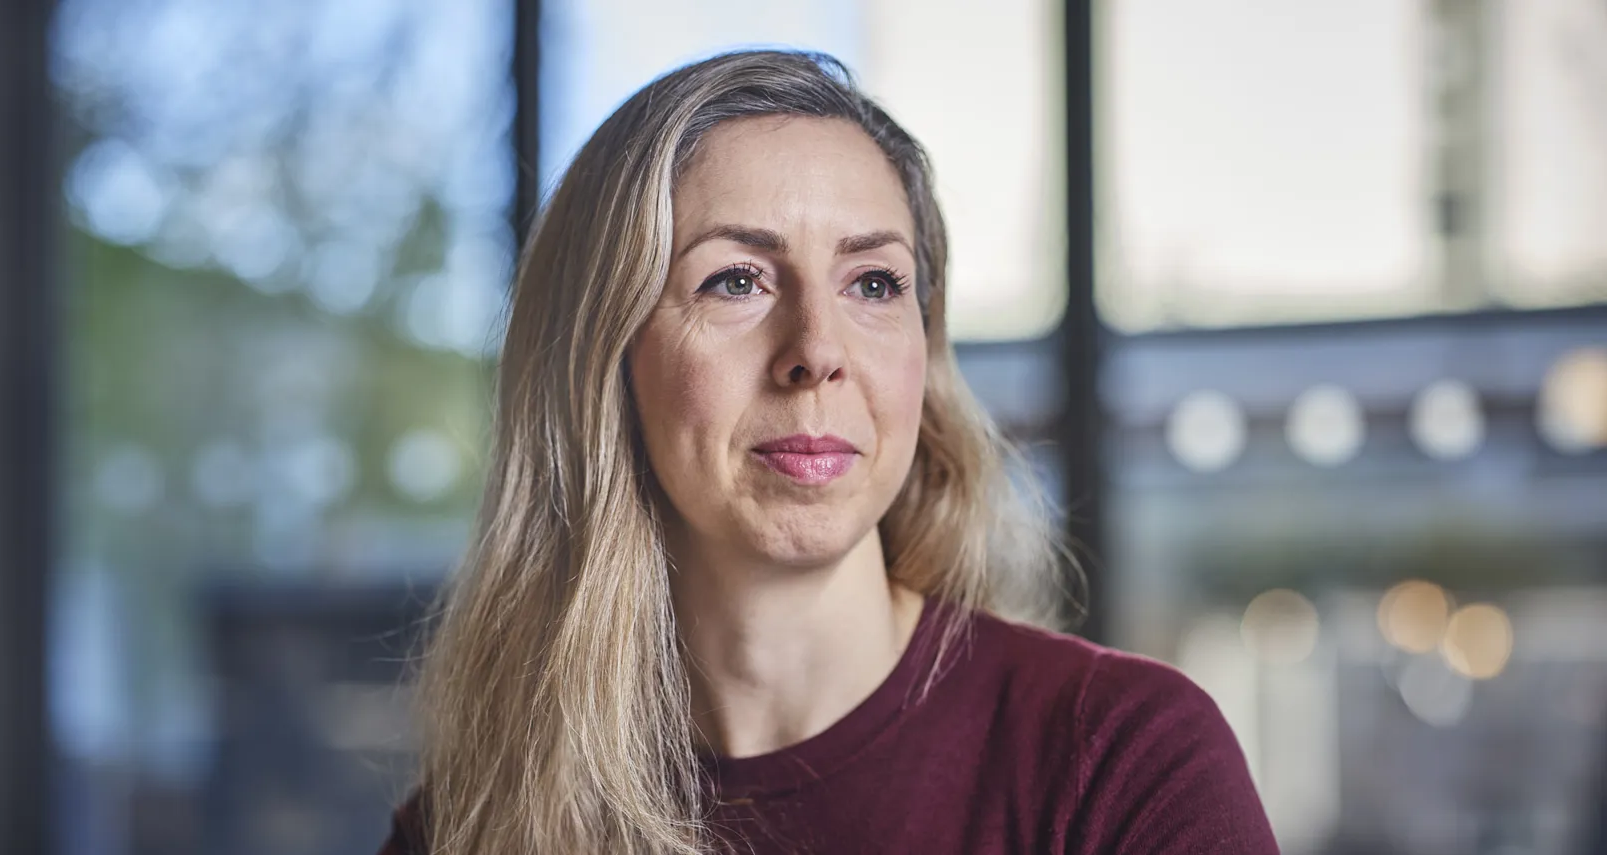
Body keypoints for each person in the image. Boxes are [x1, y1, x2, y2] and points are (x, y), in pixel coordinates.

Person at [377, 49, 1276, 855]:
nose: (817, 349)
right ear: (603, 360)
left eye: (873, 283)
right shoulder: (475, 823)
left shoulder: (1122, 760)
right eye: (736, 279)